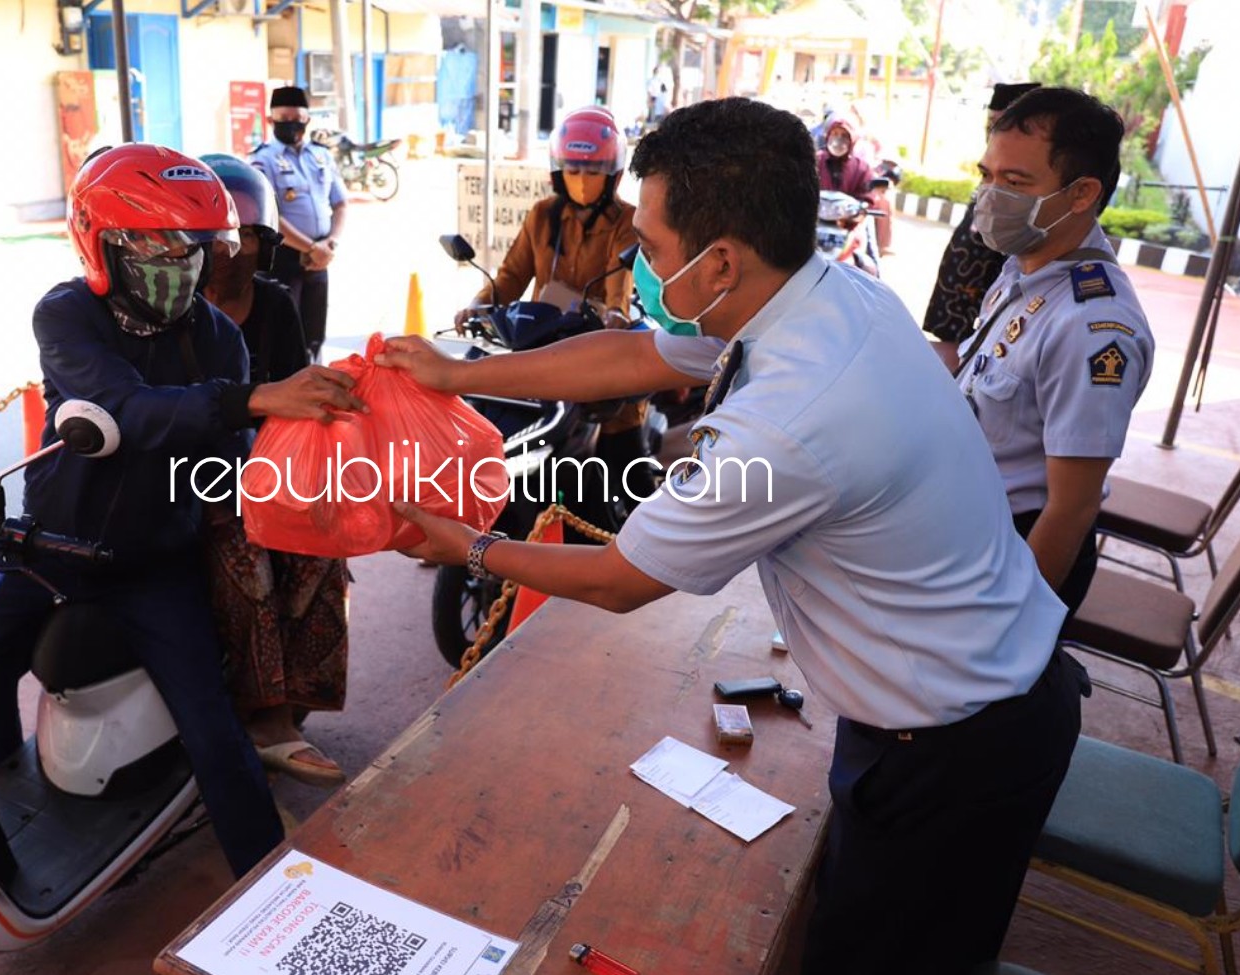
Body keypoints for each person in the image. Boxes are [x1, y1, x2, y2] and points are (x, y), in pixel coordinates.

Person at [377, 98, 1083, 975]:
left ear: (719, 261)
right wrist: (458, 372)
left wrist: (466, 547)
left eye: (654, 245)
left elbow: (623, 577)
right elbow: (638, 356)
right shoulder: (827, 296)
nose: (637, 259)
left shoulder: (790, 416)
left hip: (954, 748)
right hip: (970, 700)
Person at [0, 144, 365, 876]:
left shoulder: (217, 336)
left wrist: (300, 465)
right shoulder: (67, 315)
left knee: (213, 727)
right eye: (157, 240)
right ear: (104, 241)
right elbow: (120, 407)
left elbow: (222, 462)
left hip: (151, 564)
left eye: (192, 242)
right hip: (49, 547)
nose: (180, 258)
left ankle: (267, 883)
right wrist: (251, 400)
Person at [937, 87, 1154, 615]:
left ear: (1081, 195)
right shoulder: (1022, 270)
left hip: (1013, 556)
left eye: (1014, 183)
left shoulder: (1094, 326)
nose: (988, 196)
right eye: (986, 175)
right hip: (962, 532)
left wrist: (1007, 624)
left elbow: (1071, 508)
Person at [198, 153, 349, 787]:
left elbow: (294, 407)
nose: (235, 253)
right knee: (245, 551)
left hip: (264, 470)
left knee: (326, 545)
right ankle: (262, 718)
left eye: (249, 239)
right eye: (220, 240)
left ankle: (295, 700)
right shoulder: (171, 310)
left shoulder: (274, 305)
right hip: (193, 479)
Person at [455, 106, 652, 502]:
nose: (582, 181)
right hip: (539, 347)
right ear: (558, 172)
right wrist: (477, 307)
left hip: (600, 352)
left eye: (593, 171)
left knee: (624, 462)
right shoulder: (543, 215)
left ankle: (640, 537)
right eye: (574, 170)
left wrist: (615, 314)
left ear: (612, 175)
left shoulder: (627, 222)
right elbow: (511, 276)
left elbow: (620, 280)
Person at [922, 82, 1041, 343]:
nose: (992, 131)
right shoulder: (995, 163)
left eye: (1000, 123)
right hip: (960, 286)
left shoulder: (1030, 181)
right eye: (990, 123)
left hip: (986, 294)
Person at [250, 86, 348, 361]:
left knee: (315, 331)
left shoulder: (321, 155)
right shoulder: (262, 159)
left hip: (320, 258)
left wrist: (329, 244)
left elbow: (341, 203)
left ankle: (315, 379)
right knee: (284, 332)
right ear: (271, 121)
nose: (290, 124)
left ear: (307, 120)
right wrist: (310, 248)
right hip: (284, 259)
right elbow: (268, 215)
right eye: (282, 118)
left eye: (296, 117)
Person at [816, 117, 889, 254]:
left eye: (844, 136)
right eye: (835, 134)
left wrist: (863, 207)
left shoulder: (862, 168)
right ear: (828, 136)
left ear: (852, 140)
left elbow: (868, 195)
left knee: (869, 267)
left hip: (849, 227)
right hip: (813, 226)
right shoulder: (815, 161)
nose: (838, 140)